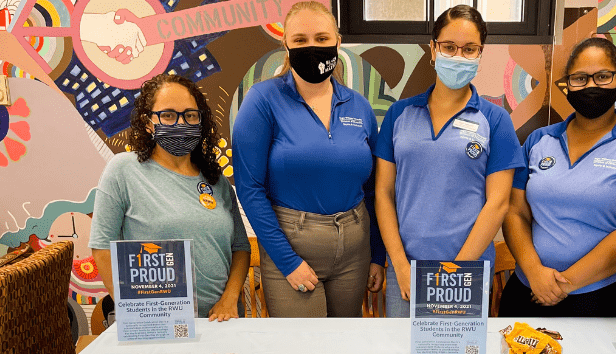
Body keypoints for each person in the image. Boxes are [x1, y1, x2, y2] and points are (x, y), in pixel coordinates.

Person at [499, 37, 616, 318]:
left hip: (598, 298)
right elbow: (514, 212)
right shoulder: (538, 140)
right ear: (567, 84)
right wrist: (534, 273)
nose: (591, 86)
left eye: (602, 76)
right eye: (580, 78)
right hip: (528, 290)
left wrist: (564, 285)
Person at [232, 1, 385, 318]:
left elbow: (373, 190)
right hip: (291, 245)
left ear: (337, 43)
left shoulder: (358, 106)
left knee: (344, 346)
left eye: (321, 38)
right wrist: (288, 261)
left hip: (355, 248)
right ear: (285, 44)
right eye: (300, 40)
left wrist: (376, 255)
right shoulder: (263, 100)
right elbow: (249, 188)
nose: (312, 47)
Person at [374, 5, 524, 318]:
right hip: (405, 272)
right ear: (433, 49)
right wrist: (399, 265)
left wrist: (456, 270)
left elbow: (498, 203)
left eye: (469, 49)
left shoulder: (496, 121)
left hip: (467, 272)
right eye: (449, 47)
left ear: (481, 54)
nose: (458, 56)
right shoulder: (398, 115)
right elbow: (383, 194)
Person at [89, 74, 251, 321]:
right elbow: (102, 247)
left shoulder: (216, 180)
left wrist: (229, 301)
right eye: (167, 115)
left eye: (190, 115)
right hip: (157, 322)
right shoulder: (123, 170)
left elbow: (240, 248)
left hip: (220, 321)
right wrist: (134, 313)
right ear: (148, 122)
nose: (180, 123)